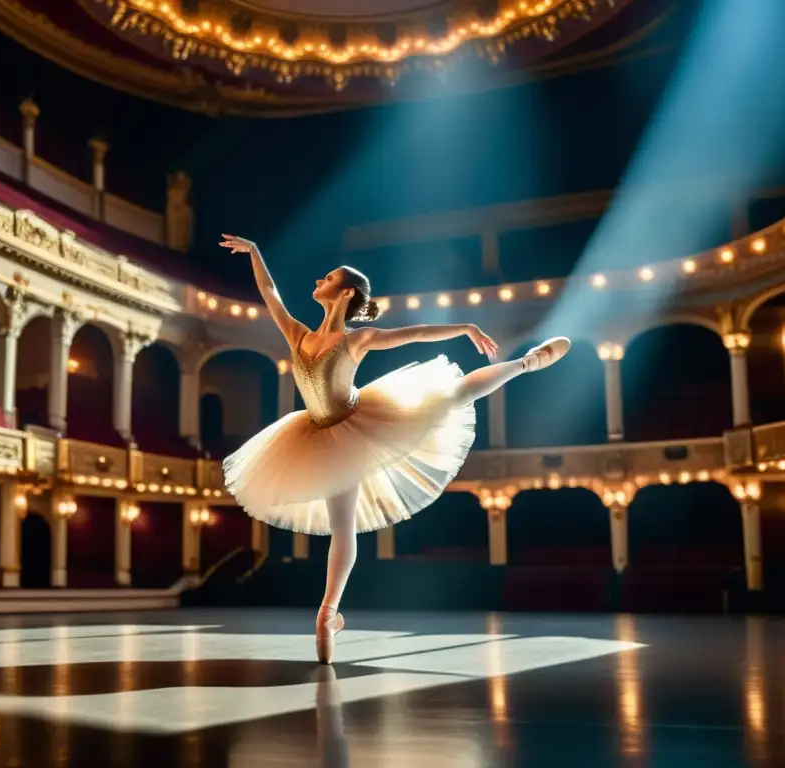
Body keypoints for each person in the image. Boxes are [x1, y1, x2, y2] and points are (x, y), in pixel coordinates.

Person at [219, 234, 570, 663]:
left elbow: (415, 333)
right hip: (317, 434)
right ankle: (329, 613)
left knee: (454, 393)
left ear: (345, 292)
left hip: (360, 423)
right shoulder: (297, 335)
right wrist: (256, 253)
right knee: (341, 526)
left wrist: (463, 327)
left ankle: (526, 362)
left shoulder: (357, 340)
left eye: (328, 277)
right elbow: (270, 293)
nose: (318, 279)